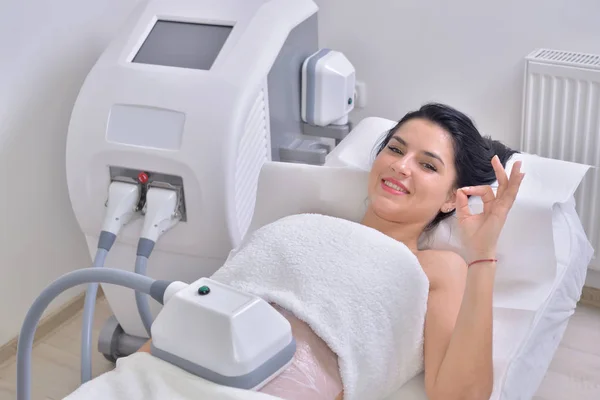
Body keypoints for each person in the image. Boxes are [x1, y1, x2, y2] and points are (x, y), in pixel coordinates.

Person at [138, 103, 525, 400]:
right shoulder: (305, 224)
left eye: (427, 165)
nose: (402, 166)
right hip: (161, 370)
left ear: (449, 199)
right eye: (395, 149)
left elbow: (459, 395)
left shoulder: (435, 267)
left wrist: (483, 254)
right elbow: (216, 294)